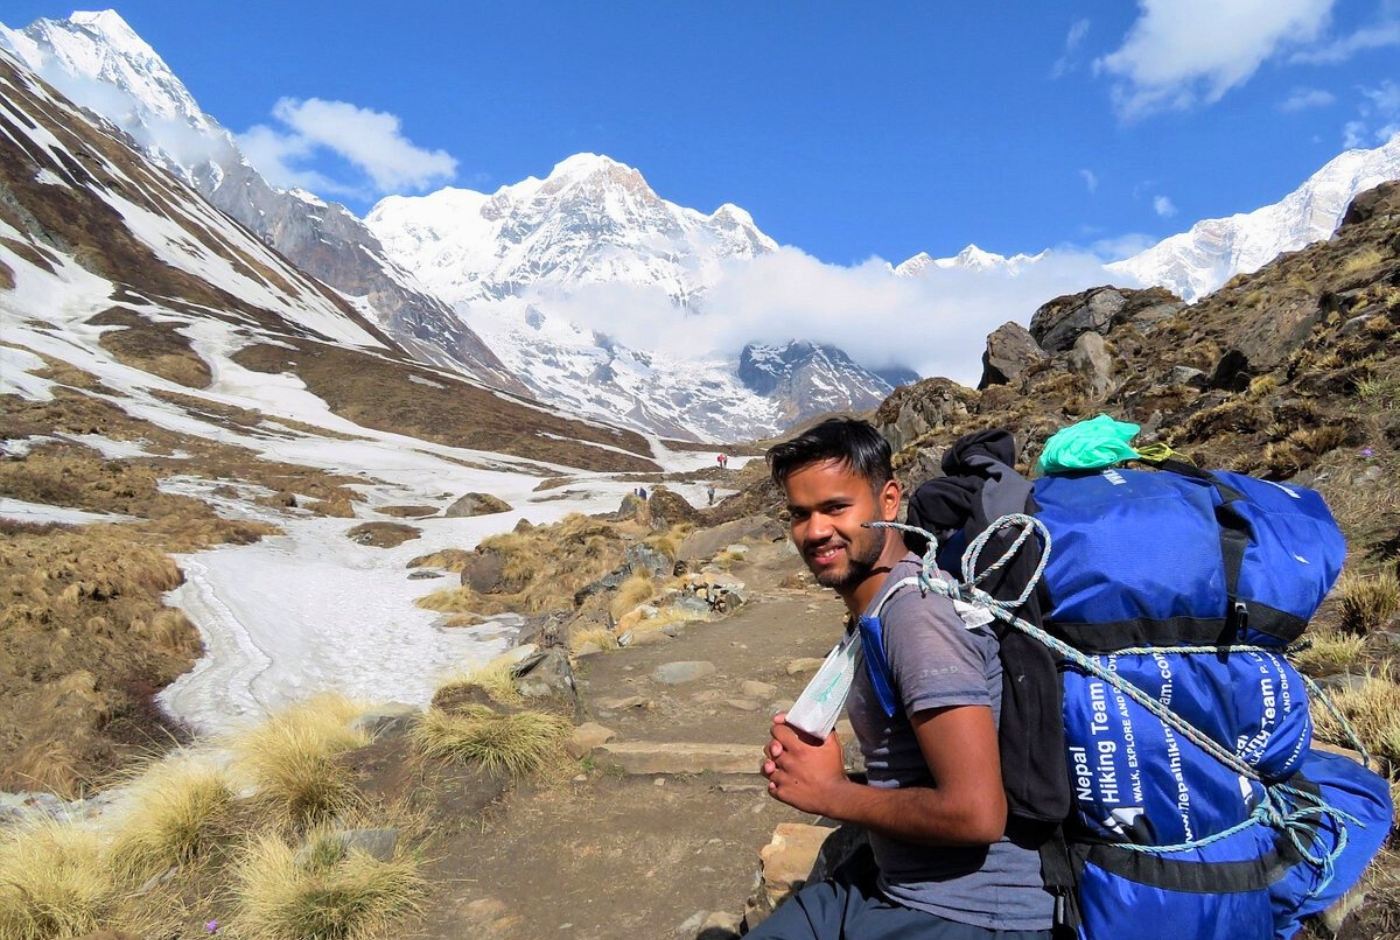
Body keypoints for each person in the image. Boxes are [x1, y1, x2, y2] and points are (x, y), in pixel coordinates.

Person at [753, 417, 1052, 940]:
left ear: (889, 501)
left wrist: (829, 792)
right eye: (800, 514)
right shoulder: (880, 606)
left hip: (969, 913)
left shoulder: (916, 617)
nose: (816, 530)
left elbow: (977, 814)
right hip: (899, 884)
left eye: (836, 508)